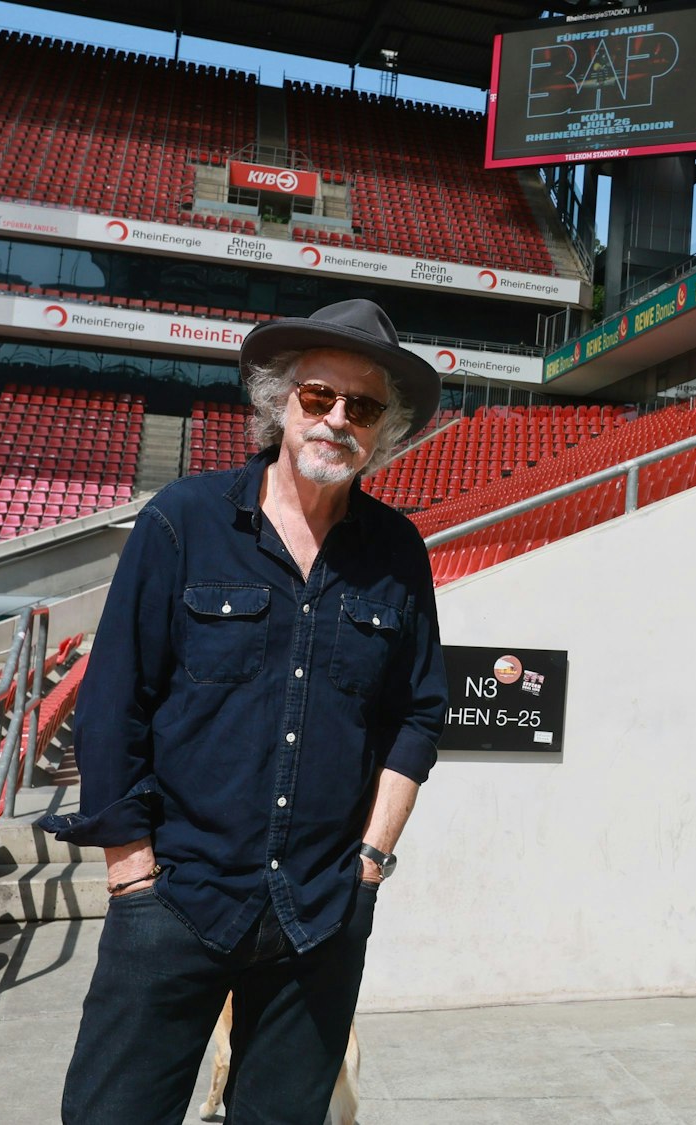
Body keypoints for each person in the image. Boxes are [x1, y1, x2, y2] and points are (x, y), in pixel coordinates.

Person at [41, 299, 448, 1125]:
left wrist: (368, 865)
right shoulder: (182, 520)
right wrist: (131, 873)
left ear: (383, 429)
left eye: (362, 406)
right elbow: (114, 700)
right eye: (317, 397)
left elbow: (419, 714)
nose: (337, 419)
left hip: (321, 913)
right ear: (277, 402)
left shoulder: (397, 553)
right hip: (173, 900)